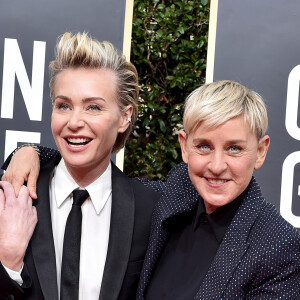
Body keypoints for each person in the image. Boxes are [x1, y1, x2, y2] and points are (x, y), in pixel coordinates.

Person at [4, 81, 300, 299]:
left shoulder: (280, 246)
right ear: (184, 146)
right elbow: (108, 180)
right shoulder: (178, 191)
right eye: (204, 146)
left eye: (234, 149)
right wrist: (31, 152)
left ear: (260, 152)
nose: (217, 165)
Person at [0, 32, 160, 300]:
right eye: (63, 106)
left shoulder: (151, 209)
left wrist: (31, 150)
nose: (74, 122)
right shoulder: (12, 196)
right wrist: (6, 262)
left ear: (124, 117)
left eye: (93, 108)